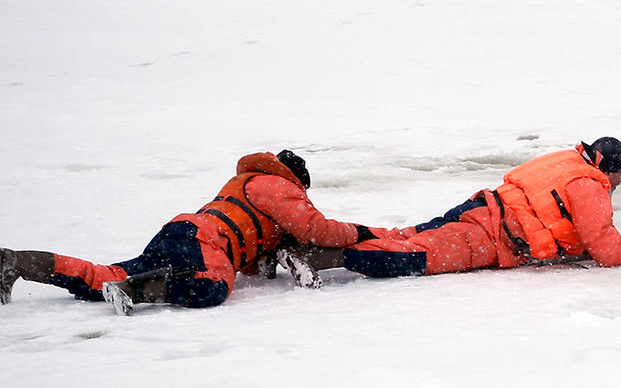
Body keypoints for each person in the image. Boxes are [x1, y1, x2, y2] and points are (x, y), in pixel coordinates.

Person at [0, 150, 388, 314]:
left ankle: (19, 263)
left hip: (181, 231)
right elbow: (316, 229)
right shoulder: (277, 185)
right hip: (204, 240)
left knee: (107, 275)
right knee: (212, 287)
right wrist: (360, 231)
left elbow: (250, 258)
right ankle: (135, 291)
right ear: (297, 179)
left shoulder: (245, 185)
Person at [276, 137, 621, 286]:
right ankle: (317, 254)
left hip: (482, 206)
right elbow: (607, 252)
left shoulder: (565, 160)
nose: (618, 184)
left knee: (405, 234)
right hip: (493, 237)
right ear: (611, 169)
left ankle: (315, 238)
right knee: (415, 255)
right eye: (620, 176)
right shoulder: (590, 185)